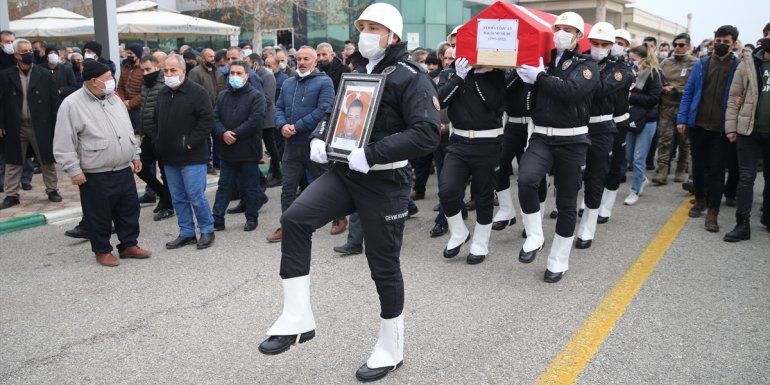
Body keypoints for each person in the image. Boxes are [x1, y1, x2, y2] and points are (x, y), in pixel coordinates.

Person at [258, 3, 440, 382]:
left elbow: (426, 132)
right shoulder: (356, 70)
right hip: (345, 173)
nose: (366, 33)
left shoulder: (411, 76)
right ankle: (296, 318)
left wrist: (373, 153)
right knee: (295, 219)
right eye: (363, 26)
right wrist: (322, 137)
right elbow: (337, 112)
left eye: (374, 27)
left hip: (385, 181)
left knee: (382, 266)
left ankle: (391, 349)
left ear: (392, 35)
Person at [515, 11, 599, 283]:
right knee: (527, 180)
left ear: (578, 36)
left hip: (572, 140)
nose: (561, 33)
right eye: (557, 28)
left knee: (566, 202)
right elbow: (527, 100)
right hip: (541, 135)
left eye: (567, 29)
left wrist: (539, 77)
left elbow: (572, 91)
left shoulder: (587, 65)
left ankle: (558, 260)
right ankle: (536, 235)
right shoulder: (544, 61)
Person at [53, 60, 151, 267]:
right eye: (107, 79)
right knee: (99, 215)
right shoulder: (72, 105)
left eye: (111, 78)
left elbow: (127, 130)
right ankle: (102, 250)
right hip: (95, 172)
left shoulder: (114, 100)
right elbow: (64, 142)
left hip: (123, 168)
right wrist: (74, 170)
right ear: (92, 81)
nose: (111, 82)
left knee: (129, 209)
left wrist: (135, 154)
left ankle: (128, 245)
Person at [436, 51, 506, 265]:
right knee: (447, 190)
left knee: (483, 196)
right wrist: (460, 76)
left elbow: (495, 104)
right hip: (458, 143)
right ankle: (458, 232)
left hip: (487, 143)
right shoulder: (452, 74)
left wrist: (479, 75)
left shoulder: (496, 75)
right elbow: (439, 101)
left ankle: (480, 242)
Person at [265, 46, 334, 243]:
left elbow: (324, 109)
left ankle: (339, 217)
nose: (302, 62)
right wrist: (282, 125)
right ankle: (286, 225)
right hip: (291, 145)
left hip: (313, 143)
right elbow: (278, 107)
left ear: (315, 61)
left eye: (306, 59)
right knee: (288, 188)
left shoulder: (324, 82)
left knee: (327, 183)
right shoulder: (288, 83)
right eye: (299, 58)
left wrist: (297, 126)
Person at [677, 25, 741, 232]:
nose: (721, 45)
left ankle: (713, 212)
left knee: (717, 170)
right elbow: (688, 92)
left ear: (734, 44)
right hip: (699, 125)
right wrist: (682, 119)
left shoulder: (738, 66)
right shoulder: (702, 64)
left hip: (722, 129)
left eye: (726, 42)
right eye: (718, 41)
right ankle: (700, 200)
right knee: (698, 166)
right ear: (713, 42)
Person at [154, 54, 217, 250]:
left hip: (192, 156)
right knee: (178, 197)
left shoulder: (197, 92)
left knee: (195, 195)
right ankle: (186, 232)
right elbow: (155, 121)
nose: (169, 74)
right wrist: (158, 142)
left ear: (182, 71)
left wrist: (189, 143)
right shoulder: (163, 93)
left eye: (173, 70)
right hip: (169, 157)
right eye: (166, 70)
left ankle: (206, 229)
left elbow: (206, 121)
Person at [0, 38, 62, 210]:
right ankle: (11, 195)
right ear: (16, 55)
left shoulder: (44, 74)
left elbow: (54, 101)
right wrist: (2, 123)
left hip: (41, 124)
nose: (29, 54)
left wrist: (56, 124)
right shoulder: (6, 75)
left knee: (46, 160)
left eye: (30, 50)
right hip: (16, 125)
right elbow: (1, 101)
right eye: (24, 51)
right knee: (13, 162)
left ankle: (52, 190)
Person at [723, 23, 770, 240]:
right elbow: (734, 97)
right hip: (748, 131)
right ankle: (742, 224)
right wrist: (731, 127)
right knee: (746, 178)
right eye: (768, 34)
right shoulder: (748, 63)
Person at [211, 60, 266, 232]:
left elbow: (254, 121)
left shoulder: (256, 96)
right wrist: (223, 133)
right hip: (228, 151)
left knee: (250, 187)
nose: (234, 77)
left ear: (246, 76)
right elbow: (215, 118)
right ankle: (217, 219)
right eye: (232, 73)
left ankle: (251, 218)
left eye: (238, 73)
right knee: (224, 186)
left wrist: (234, 134)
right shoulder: (223, 95)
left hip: (248, 150)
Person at [596, 29, 635, 223]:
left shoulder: (626, 68)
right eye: (615, 41)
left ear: (627, 47)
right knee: (594, 164)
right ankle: (589, 202)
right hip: (599, 121)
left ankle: (606, 206)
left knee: (615, 164)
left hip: (618, 122)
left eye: (622, 42)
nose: (618, 45)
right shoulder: (599, 64)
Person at [652, 33, 698, 185]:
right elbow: (657, 79)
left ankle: (680, 170)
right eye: (675, 45)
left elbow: (696, 88)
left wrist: (677, 90)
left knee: (684, 142)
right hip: (667, 106)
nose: (677, 48)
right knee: (664, 139)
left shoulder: (695, 63)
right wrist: (662, 88)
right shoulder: (666, 62)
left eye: (681, 45)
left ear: (688, 46)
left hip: (685, 108)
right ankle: (662, 172)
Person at [623, 44, 662, 206]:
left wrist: (631, 97)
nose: (630, 62)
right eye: (629, 59)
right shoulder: (630, 74)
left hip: (647, 120)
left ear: (643, 60)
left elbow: (654, 99)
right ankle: (642, 179)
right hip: (631, 118)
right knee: (629, 157)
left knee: (639, 158)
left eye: (633, 60)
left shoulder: (653, 75)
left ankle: (635, 191)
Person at [136, 54, 174, 221]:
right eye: (142, 70)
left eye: (148, 69)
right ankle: (164, 195)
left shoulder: (164, 84)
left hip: (164, 135)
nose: (145, 73)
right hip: (148, 134)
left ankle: (169, 205)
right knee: (140, 167)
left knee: (166, 172)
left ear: (157, 67)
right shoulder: (145, 85)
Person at [117, 43, 145, 135]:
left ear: (138, 55)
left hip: (138, 109)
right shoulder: (126, 67)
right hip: (125, 107)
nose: (128, 56)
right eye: (127, 53)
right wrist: (123, 101)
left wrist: (131, 103)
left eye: (131, 54)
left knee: (138, 134)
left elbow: (145, 91)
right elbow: (120, 86)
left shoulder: (143, 69)